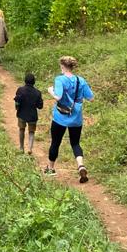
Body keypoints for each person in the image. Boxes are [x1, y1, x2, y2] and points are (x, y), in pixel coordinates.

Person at [44, 55, 94, 183]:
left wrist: (50, 91)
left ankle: (50, 169)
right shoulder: (81, 80)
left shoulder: (60, 80)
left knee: (55, 142)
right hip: (76, 117)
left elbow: (58, 97)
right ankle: (80, 165)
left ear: (62, 66)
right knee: (75, 143)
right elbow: (91, 98)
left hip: (60, 117)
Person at [14, 73, 44, 154]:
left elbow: (17, 101)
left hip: (21, 114)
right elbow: (40, 106)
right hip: (32, 115)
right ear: (34, 82)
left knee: (21, 129)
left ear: (25, 81)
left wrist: (17, 108)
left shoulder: (20, 90)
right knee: (31, 132)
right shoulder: (38, 93)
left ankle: (21, 147)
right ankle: (30, 148)